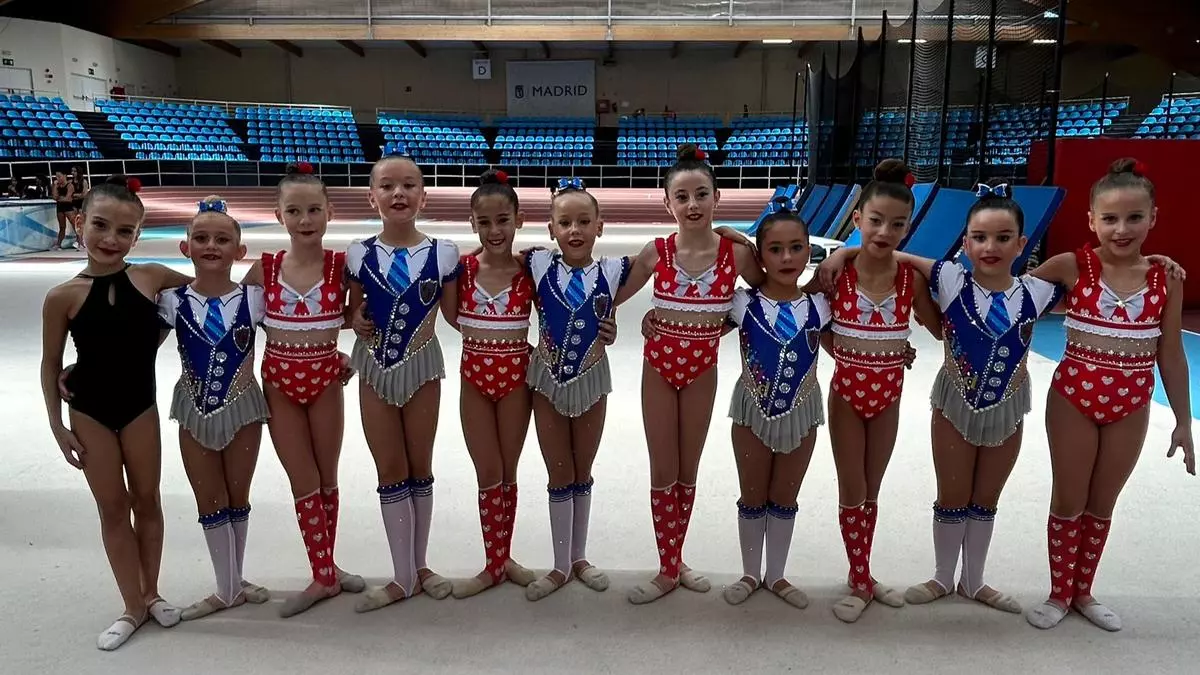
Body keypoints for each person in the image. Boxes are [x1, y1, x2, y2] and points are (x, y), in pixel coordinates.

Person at [821, 180, 1068, 620]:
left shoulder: (1037, 290)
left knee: (986, 497)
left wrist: (1154, 263)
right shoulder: (949, 277)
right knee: (948, 493)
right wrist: (842, 253)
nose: (990, 246)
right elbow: (889, 254)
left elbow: (1094, 270)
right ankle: (939, 577)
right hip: (953, 399)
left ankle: (973, 580)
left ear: (1021, 244)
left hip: (1008, 402)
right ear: (965, 243)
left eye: (1003, 238)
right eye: (979, 237)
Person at [1024, 159, 1194, 632]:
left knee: (1102, 504)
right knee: (1069, 499)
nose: (1122, 229)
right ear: (1091, 220)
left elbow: (1171, 353)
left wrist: (1183, 420)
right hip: (1073, 401)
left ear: (1153, 217)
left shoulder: (1166, 279)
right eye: (1110, 218)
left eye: (1134, 217)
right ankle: (1059, 593)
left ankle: (1083, 592)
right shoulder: (1072, 265)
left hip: (1131, 406)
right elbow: (1006, 298)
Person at [40, 176, 191, 650]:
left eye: (125, 231)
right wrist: (57, 425)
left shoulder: (152, 277)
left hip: (139, 407)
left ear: (138, 235)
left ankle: (152, 592)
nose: (111, 239)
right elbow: (49, 362)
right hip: (90, 413)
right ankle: (132, 606)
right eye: (101, 225)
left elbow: (210, 294)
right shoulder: (62, 296)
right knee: (112, 508)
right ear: (79, 223)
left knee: (147, 500)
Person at [624, 144, 765, 604]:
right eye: (681, 197)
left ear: (717, 197)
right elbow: (608, 294)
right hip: (659, 369)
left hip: (703, 369)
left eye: (701, 194)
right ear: (667, 203)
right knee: (663, 469)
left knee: (688, 469)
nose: (692, 205)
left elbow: (774, 293)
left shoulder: (735, 256)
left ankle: (675, 558)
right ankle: (667, 568)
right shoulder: (657, 252)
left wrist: (731, 317)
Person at [240, 162, 365, 617]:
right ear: (279, 216)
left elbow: (357, 317)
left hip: (325, 379)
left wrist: (348, 350)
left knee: (327, 478)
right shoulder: (265, 268)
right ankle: (323, 574)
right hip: (280, 383)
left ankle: (326, 570)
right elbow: (229, 317)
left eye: (314, 210)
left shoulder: (342, 266)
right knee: (303, 478)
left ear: (330, 212)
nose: (305, 220)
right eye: (294, 211)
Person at [821, 160, 939, 622]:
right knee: (852, 488)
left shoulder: (910, 280)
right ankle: (859, 577)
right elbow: (800, 315)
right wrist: (846, 350)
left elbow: (943, 329)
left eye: (898, 224)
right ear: (857, 218)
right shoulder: (836, 275)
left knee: (873, 490)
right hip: (847, 396)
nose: (885, 231)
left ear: (909, 227)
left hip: (889, 397)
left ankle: (863, 573)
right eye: (875, 220)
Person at [347, 154, 458, 612]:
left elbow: (457, 316)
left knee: (419, 464)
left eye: (409, 185)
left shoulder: (443, 252)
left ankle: (420, 565)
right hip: (375, 367)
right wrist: (354, 320)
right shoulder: (358, 253)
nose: (399, 193)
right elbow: (351, 311)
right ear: (371, 196)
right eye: (388, 186)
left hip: (422, 365)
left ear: (423, 196)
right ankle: (401, 575)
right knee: (389, 466)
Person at [159, 197, 272, 620]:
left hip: (243, 407)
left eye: (222, 240)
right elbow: (135, 350)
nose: (211, 245)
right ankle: (227, 586)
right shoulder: (171, 302)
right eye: (201, 238)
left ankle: (232, 582)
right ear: (185, 246)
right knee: (209, 496)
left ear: (239, 251)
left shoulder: (254, 300)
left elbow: (292, 334)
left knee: (238, 495)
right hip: (193, 406)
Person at [521, 178, 623, 601]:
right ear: (551, 229)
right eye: (564, 223)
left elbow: (664, 255)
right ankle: (560, 564)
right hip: (547, 377)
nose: (575, 230)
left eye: (584, 221)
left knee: (583, 469)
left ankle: (578, 557)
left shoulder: (614, 270)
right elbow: (486, 259)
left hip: (592, 375)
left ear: (600, 225)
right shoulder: (536, 263)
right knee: (559, 471)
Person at [723, 200, 828, 610]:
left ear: (809, 250)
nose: (787, 258)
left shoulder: (822, 305)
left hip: (802, 411)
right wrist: (653, 323)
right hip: (752, 409)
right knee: (752, 495)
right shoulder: (741, 303)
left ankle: (778, 575)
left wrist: (896, 353)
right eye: (775, 249)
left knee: (785, 496)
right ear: (760, 255)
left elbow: (850, 344)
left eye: (797, 247)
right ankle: (751, 573)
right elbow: (695, 329)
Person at [443, 170, 540, 598]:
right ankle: (492, 563)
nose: (494, 230)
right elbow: (450, 316)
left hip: (517, 379)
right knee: (487, 472)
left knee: (507, 470)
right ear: (472, 224)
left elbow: (562, 310)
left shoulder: (531, 269)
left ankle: (504, 558)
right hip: (475, 380)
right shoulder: (461, 269)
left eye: (503, 220)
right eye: (484, 222)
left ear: (519, 220)